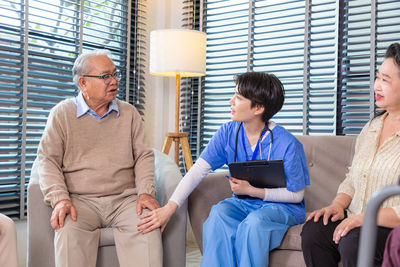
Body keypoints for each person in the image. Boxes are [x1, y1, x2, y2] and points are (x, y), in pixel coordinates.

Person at [138, 72, 310, 266]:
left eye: (238, 97)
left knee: (254, 225)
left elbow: (296, 195)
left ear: (259, 108)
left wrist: (253, 191)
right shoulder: (228, 132)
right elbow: (197, 171)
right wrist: (170, 207)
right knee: (219, 214)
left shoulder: (288, 144)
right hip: (244, 204)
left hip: (282, 208)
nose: (231, 101)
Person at [37, 49, 162, 267]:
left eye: (115, 75)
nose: (114, 81)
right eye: (106, 76)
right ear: (83, 83)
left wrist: (145, 193)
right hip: (80, 201)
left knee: (147, 226)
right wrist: (60, 199)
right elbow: (47, 160)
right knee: (67, 232)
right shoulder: (61, 114)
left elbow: (143, 156)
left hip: (125, 200)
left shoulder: (130, 113)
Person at [301, 42, 400, 267]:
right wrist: (337, 205)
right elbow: (352, 178)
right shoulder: (372, 127)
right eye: (377, 77)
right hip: (357, 216)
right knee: (314, 231)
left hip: (390, 226)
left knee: (353, 241)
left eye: (385, 80)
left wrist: (364, 218)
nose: (376, 85)